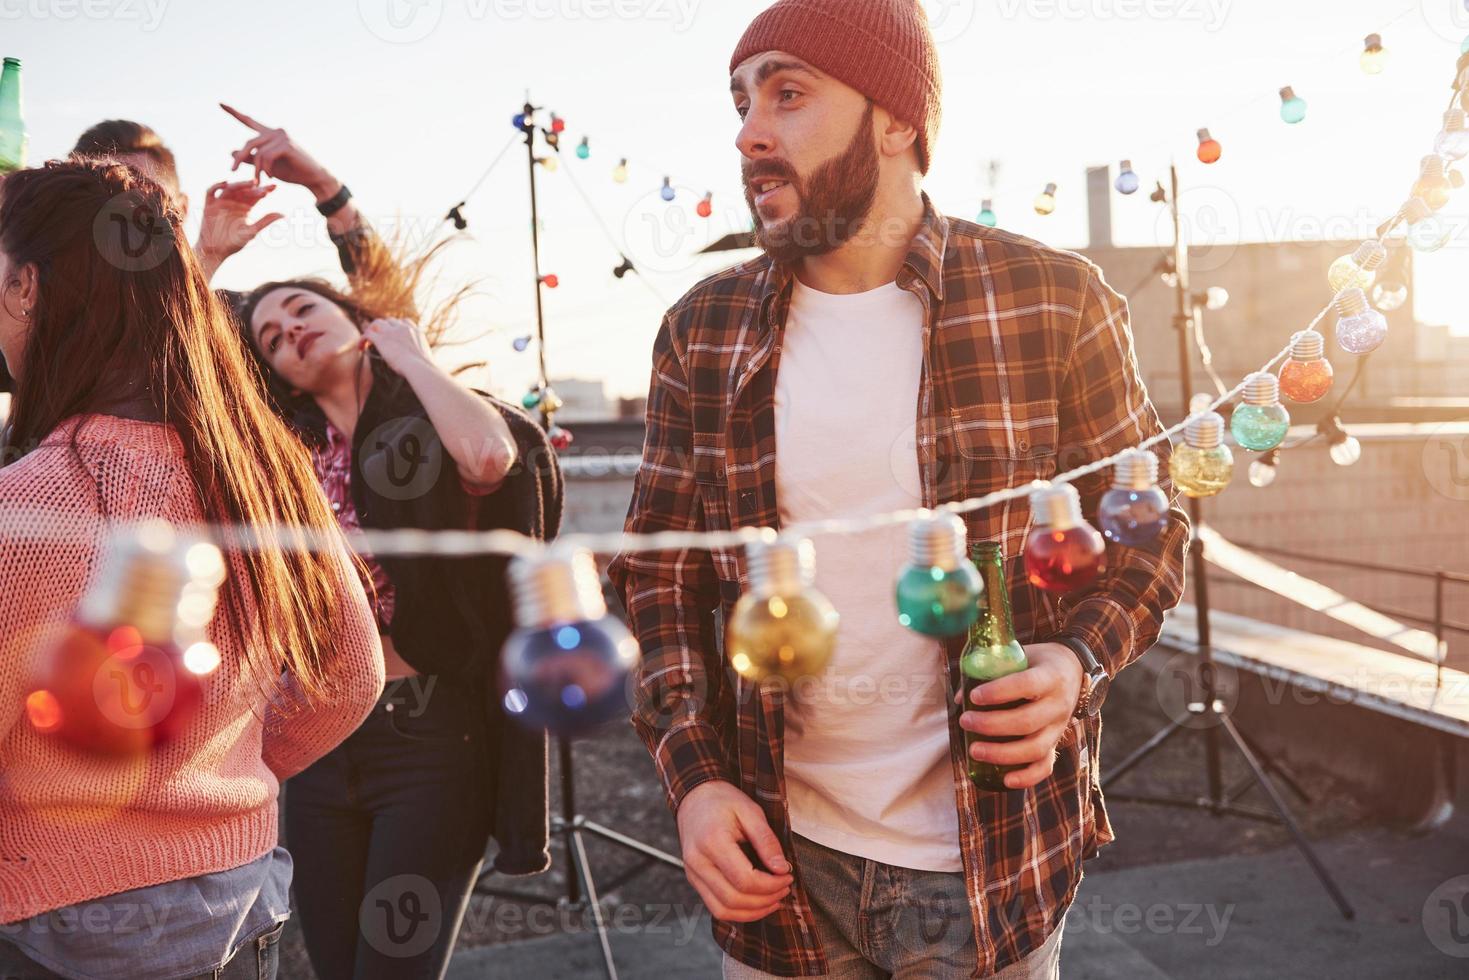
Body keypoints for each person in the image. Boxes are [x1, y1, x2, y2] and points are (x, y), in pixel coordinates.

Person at [608, 2, 1190, 977]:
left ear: (896, 119)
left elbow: (1146, 529)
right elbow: (657, 575)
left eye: (787, 93)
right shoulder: (699, 329)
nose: (749, 129)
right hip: (778, 873)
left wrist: (1073, 663)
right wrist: (694, 781)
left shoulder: (1051, 299)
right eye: (741, 100)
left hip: (995, 862)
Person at [0, 159, 385, 978]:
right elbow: (352, 678)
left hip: (55, 927)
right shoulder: (263, 473)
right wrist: (219, 774)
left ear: (27, 286)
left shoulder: (22, 509)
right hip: (238, 901)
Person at [230, 108, 561, 979]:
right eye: (271, 336)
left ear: (355, 317)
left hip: (426, 740)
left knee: (392, 971)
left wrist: (324, 188)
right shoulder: (288, 448)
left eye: (302, 308)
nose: (289, 328)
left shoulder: (420, 423)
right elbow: (189, 351)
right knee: (333, 967)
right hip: (315, 739)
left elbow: (489, 454)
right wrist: (209, 246)